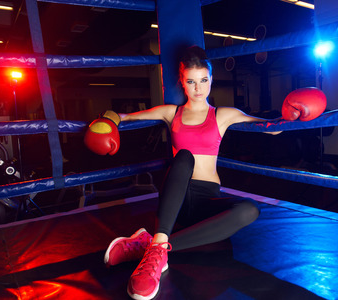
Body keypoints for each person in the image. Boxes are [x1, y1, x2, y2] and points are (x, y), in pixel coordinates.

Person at [103, 46, 281, 300]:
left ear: (211, 79)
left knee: (250, 210)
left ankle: (154, 246)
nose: (198, 88)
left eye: (203, 80)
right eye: (191, 82)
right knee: (184, 156)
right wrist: (107, 120)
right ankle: (157, 248)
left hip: (206, 201)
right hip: (176, 196)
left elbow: (268, 128)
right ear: (183, 83)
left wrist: (291, 117)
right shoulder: (171, 112)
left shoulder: (223, 115)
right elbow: (125, 117)